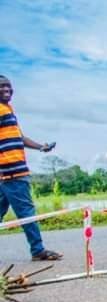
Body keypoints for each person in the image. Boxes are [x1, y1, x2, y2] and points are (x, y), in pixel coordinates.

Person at [0, 75, 63, 260]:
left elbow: (20, 138)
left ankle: (37, 249)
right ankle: (38, 250)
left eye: (9, 87)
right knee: (27, 213)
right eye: (2, 87)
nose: (7, 90)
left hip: (10, 173)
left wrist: (41, 147)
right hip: (12, 172)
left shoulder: (7, 110)